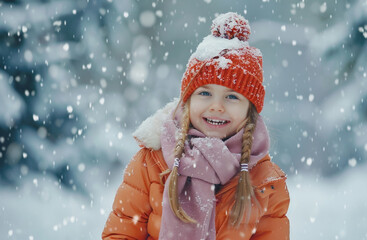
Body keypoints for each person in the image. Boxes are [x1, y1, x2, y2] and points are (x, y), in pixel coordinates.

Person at [102, 12, 290, 240]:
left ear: (250, 109)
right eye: (205, 93)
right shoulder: (152, 163)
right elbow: (122, 232)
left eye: (232, 97)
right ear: (187, 100)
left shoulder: (264, 183)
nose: (217, 106)